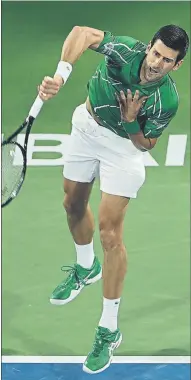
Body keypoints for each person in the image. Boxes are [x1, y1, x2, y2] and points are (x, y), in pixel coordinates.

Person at [38, 24, 189, 374]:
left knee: (110, 234)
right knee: (72, 205)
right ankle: (85, 266)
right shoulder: (123, 50)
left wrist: (132, 121)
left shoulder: (166, 99)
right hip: (87, 128)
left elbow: (146, 144)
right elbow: (81, 33)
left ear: (177, 65)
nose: (157, 63)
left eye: (167, 60)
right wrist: (61, 76)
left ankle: (108, 329)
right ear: (148, 46)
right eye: (155, 53)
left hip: (124, 150)